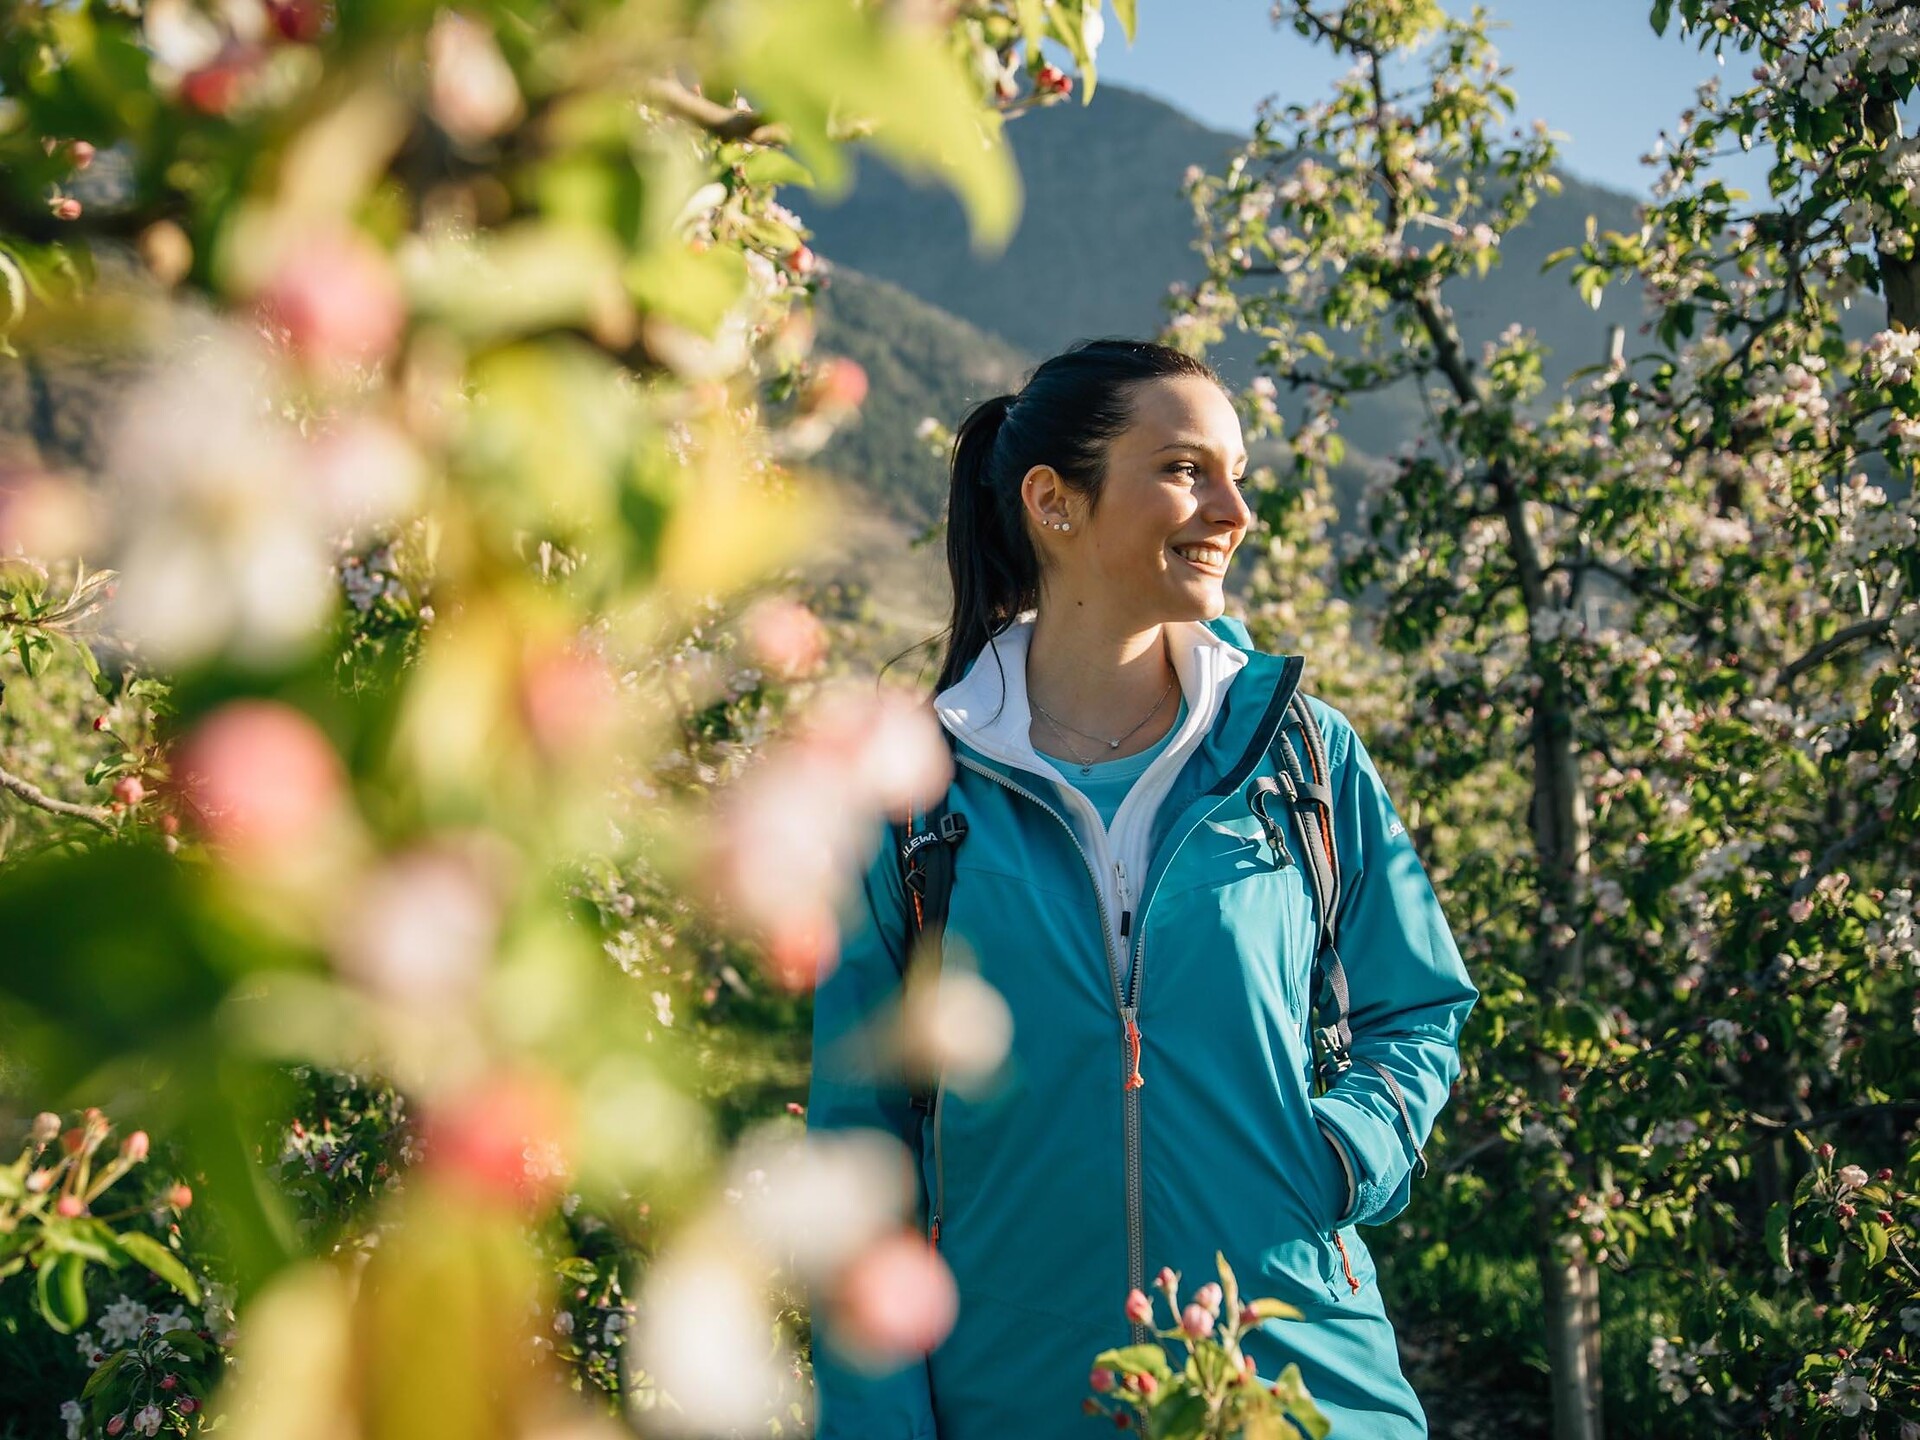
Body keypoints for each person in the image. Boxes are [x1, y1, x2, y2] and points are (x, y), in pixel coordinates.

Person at [806, 338, 1478, 1438]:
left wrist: (1338, 1155)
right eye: (1184, 470)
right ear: (1054, 503)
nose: (1234, 512)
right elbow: (855, 1145)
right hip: (1018, 1395)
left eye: (1238, 475)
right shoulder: (913, 797)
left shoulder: (1302, 757)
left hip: (1299, 1383)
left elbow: (1419, 1008)